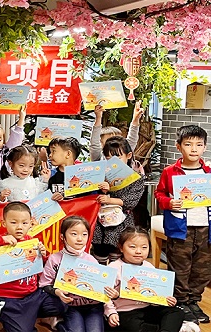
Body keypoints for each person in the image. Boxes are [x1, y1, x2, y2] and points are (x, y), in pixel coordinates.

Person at [0, 202, 66, 332]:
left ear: (31, 223)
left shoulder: (32, 242)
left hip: (34, 294)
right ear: (4, 223)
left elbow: (46, 266)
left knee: (64, 303)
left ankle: (30, 316)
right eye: (13, 222)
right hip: (9, 298)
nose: (19, 227)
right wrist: (0, 240)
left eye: (24, 223)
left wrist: (44, 255)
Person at [154, 125, 211, 324]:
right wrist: (168, 202)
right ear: (178, 146)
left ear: (205, 147)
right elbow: (159, 193)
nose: (194, 149)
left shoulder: (208, 172)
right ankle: (180, 302)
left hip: (206, 228)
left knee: (202, 269)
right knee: (180, 267)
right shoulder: (170, 172)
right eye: (188, 144)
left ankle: (194, 301)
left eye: (199, 144)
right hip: (180, 228)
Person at [40, 216, 115, 332]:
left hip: (93, 307)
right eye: (74, 234)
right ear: (62, 237)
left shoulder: (91, 260)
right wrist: (57, 292)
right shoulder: (54, 259)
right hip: (71, 307)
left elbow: (102, 289)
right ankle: (58, 323)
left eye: (84, 234)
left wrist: (111, 309)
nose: (80, 239)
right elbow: (44, 284)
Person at [104, 227, 184, 332]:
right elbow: (104, 297)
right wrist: (111, 313)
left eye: (144, 247)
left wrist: (166, 300)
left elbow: (156, 294)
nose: (138, 251)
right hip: (124, 311)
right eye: (132, 247)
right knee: (132, 326)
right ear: (121, 247)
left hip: (148, 308)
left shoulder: (149, 267)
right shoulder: (113, 268)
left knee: (176, 312)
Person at [91, 136, 145, 265]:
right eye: (108, 158)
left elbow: (131, 201)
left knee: (118, 255)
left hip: (122, 222)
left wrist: (110, 199)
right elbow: (93, 197)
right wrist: (103, 190)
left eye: (118, 158)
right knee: (99, 254)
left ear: (128, 156)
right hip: (101, 222)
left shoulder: (136, 178)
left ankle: (116, 276)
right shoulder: (100, 175)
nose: (113, 162)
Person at [47, 137, 82, 201]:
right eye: (50, 152)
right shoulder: (50, 175)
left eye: (53, 151)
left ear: (68, 154)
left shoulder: (83, 175)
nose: (50, 155)